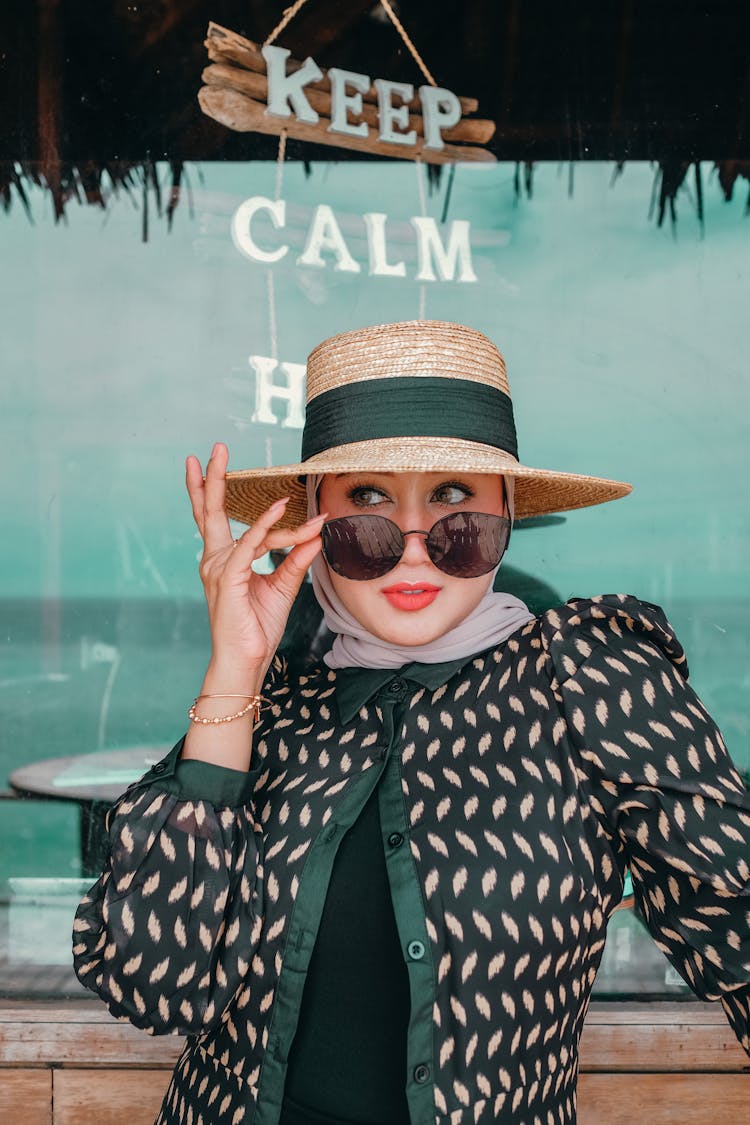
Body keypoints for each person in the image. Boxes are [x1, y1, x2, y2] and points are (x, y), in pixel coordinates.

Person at [73, 321, 750, 1125]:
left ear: (509, 513)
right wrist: (235, 669)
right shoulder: (271, 704)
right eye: (367, 503)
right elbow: (154, 978)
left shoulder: (591, 679)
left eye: (456, 501)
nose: (415, 550)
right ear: (312, 524)